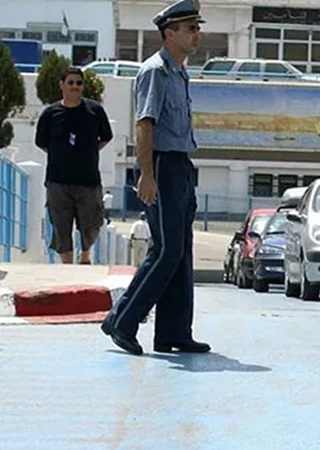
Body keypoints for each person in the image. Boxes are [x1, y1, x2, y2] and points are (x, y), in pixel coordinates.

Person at [101, 0, 210, 356]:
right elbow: (145, 124)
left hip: (180, 165)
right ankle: (122, 321)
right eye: (190, 28)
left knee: (182, 252)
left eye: (197, 27)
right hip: (161, 165)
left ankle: (173, 333)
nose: (196, 34)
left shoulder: (179, 71)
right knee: (167, 250)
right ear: (169, 33)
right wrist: (147, 174)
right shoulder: (155, 71)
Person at [35, 67, 113, 265]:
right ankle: (67, 266)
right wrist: (60, 154)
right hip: (58, 181)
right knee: (61, 226)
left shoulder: (94, 111)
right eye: (70, 82)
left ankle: (85, 254)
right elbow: (42, 142)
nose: (75, 87)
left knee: (92, 223)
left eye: (79, 83)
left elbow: (106, 137)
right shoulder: (50, 114)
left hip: (88, 180)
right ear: (62, 85)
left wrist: (89, 151)